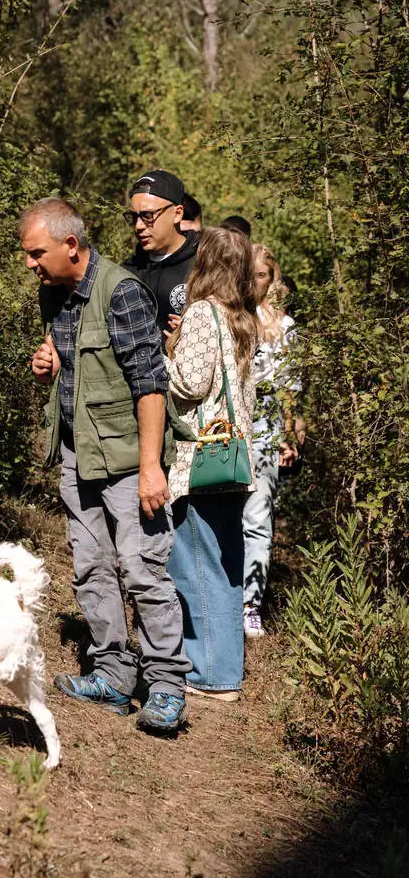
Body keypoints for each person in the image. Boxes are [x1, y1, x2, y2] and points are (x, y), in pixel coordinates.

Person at [23, 197, 191, 733]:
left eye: (37, 253)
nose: (30, 264)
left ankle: (166, 686)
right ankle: (114, 676)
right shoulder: (53, 292)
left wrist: (150, 468)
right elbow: (69, 373)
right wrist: (47, 367)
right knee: (91, 565)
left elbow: (150, 385)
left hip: (126, 459)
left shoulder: (121, 293)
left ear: (70, 245)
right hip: (77, 454)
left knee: (143, 569)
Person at [164, 227, 258, 701]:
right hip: (233, 462)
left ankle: (211, 673)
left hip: (199, 461)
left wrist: (163, 355)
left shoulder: (202, 313)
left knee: (197, 566)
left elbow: (190, 385)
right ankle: (225, 667)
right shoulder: (245, 319)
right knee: (226, 567)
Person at [242, 245, 305, 637]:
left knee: (258, 518)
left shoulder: (286, 328)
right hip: (226, 430)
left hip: (264, 431)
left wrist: (288, 437)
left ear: (272, 278)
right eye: (248, 273)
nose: (254, 281)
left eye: (261, 274)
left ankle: (250, 605)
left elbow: (289, 388)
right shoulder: (227, 317)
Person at [122, 170, 199, 342]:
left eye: (148, 216)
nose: (138, 226)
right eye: (134, 217)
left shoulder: (205, 266)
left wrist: (201, 331)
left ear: (178, 213)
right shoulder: (126, 273)